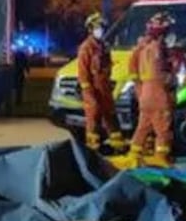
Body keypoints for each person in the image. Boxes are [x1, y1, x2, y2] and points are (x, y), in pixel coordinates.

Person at [125, 12, 178, 168]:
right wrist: (172, 79)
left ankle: (134, 157)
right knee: (163, 129)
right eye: (168, 31)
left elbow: (136, 71)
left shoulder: (143, 48)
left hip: (146, 94)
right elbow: (159, 73)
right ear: (162, 32)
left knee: (143, 127)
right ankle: (161, 159)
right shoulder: (157, 48)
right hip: (158, 94)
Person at [76, 13, 125, 154]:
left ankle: (117, 145)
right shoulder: (86, 48)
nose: (101, 31)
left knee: (111, 115)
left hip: (104, 88)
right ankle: (93, 148)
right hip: (92, 89)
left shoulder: (103, 46)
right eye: (98, 28)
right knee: (94, 116)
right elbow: (83, 73)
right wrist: (89, 93)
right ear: (90, 29)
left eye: (102, 28)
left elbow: (107, 67)